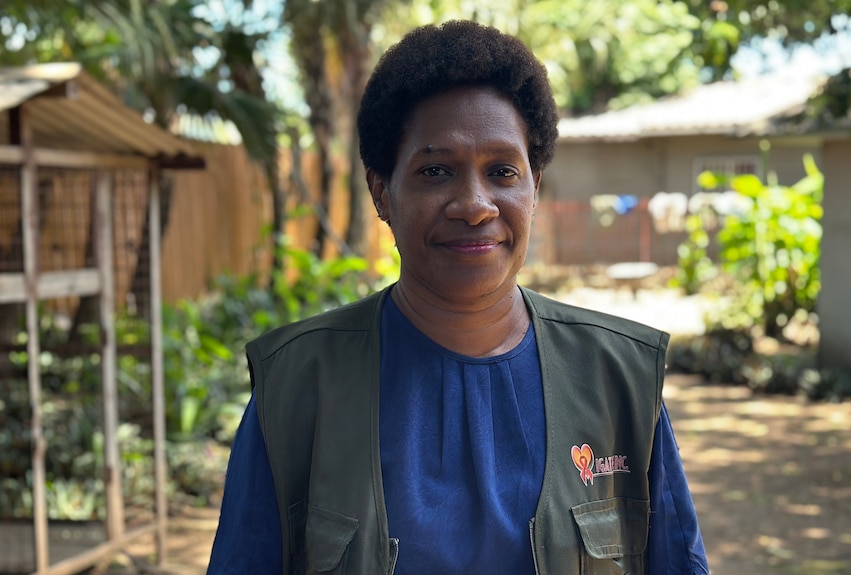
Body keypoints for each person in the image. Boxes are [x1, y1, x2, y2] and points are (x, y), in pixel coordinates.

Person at [207, 20, 709, 575]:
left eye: (502, 171)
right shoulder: (297, 387)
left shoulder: (619, 379)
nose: (474, 205)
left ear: (534, 189)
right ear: (381, 192)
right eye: (435, 170)